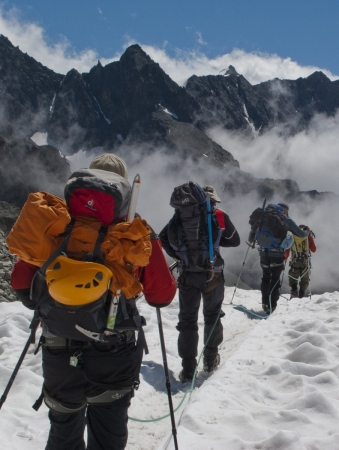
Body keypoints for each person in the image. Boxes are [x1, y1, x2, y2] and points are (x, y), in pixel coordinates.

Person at [9, 153, 177, 450]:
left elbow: (21, 283)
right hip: (115, 353)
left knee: (63, 435)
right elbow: (161, 296)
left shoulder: (56, 227)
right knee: (108, 437)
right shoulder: (135, 235)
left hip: (60, 351)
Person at [159, 185, 240, 381]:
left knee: (187, 320)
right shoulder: (218, 215)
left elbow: (163, 237)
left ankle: (188, 369)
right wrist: (215, 243)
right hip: (213, 274)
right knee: (212, 316)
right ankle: (210, 361)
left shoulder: (179, 216)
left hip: (187, 275)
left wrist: (180, 256)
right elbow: (235, 240)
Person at [248, 202, 308, 314]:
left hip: (263, 253)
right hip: (277, 254)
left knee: (265, 277)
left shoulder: (262, 216)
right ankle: (272, 305)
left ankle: (265, 303)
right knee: (275, 279)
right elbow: (299, 233)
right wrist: (307, 233)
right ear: (284, 210)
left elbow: (252, 232)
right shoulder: (284, 218)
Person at [285, 224, 316, 298]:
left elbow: (287, 249)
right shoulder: (308, 237)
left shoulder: (292, 237)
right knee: (304, 279)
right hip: (305, 262)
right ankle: (301, 296)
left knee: (293, 277)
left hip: (294, 262)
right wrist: (310, 238)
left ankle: (294, 293)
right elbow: (314, 250)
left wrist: (285, 258)